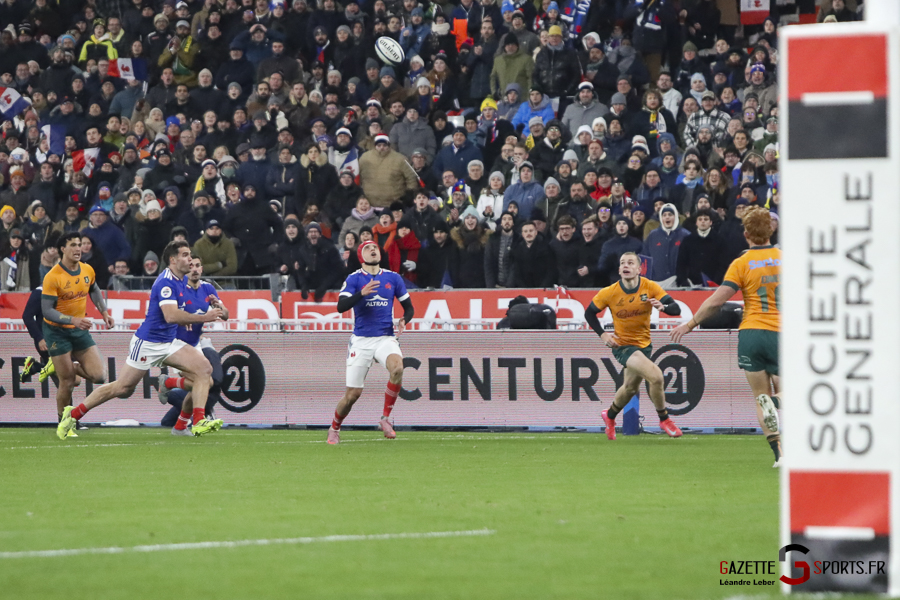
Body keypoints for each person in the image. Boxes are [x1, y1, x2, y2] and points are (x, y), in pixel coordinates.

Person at [57, 241, 224, 440]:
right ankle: (73, 414)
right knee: (122, 388)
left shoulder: (181, 280)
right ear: (173, 260)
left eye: (190, 255)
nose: (190, 259)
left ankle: (196, 422)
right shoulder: (166, 282)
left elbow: (179, 313)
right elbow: (171, 316)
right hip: (148, 344)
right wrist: (203, 317)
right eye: (185, 255)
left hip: (169, 342)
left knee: (204, 370)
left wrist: (194, 317)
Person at [671, 206, 782, 466]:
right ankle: (775, 401)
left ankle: (779, 455)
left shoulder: (741, 264)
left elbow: (715, 302)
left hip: (751, 333)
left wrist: (690, 324)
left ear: (746, 234)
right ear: (771, 229)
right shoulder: (785, 258)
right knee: (789, 394)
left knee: (759, 396)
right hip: (780, 332)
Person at [585, 252, 683, 440]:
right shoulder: (609, 292)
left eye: (630, 262)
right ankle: (664, 419)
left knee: (630, 388)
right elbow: (589, 313)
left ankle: (610, 415)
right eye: (622, 263)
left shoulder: (650, 287)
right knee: (656, 377)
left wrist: (663, 307)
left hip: (644, 345)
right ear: (619, 269)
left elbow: (675, 308)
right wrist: (603, 335)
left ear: (639, 269)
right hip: (622, 346)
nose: (625, 265)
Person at [328, 240, 415, 444]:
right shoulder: (354, 279)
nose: (373, 250)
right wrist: (361, 293)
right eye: (368, 248)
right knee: (352, 394)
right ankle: (334, 427)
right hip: (361, 341)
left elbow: (409, 307)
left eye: (375, 247)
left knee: (398, 369)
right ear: (361, 256)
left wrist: (405, 319)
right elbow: (341, 306)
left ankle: (385, 419)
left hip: (385, 337)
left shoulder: (393, 278)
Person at [40, 232, 113, 430]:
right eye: (73, 245)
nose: (78, 248)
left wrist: (104, 312)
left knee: (100, 376)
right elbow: (46, 310)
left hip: (79, 331)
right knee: (68, 382)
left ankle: (60, 366)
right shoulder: (53, 276)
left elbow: (94, 289)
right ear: (62, 249)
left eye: (79, 244)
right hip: (57, 332)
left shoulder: (87, 269)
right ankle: (64, 421)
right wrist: (73, 319)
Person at [157, 254, 229, 434]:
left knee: (204, 383)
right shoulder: (178, 288)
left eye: (198, 265)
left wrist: (218, 306)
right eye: (192, 266)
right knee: (202, 381)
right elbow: (169, 314)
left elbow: (226, 315)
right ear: (186, 268)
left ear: (202, 269)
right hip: (176, 345)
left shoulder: (208, 288)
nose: (195, 269)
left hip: (195, 345)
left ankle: (180, 425)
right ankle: (196, 419)